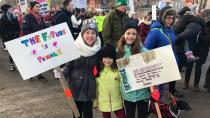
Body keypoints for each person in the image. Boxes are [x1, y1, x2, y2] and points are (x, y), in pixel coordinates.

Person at [116, 19, 156, 118]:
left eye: (134, 34)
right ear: (123, 35)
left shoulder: (144, 50)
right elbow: (115, 69)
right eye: (128, 33)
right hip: (128, 93)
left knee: (142, 115)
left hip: (143, 92)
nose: (130, 36)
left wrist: (155, 88)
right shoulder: (119, 51)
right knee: (129, 115)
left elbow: (154, 68)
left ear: (137, 35)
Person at [63, 19, 101, 118]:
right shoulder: (75, 47)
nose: (90, 36)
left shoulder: (98, 50)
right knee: (76, 114)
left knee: (88, 114)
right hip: (74, 87)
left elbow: (102, 66)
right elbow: (68, 66)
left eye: (93, 33)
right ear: (82, 34)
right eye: (87, 32)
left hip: (89, 88)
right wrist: (61, 74)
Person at [144, 6, 179, 96]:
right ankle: (154, 108)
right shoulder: (155, 32)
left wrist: (176, 62)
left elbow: (173, 48)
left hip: (168, 65)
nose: (170, 21)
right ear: (162, 17)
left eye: (172, 18)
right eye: (168, 18)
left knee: (164, 90)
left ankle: (161, 107)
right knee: (157, 92)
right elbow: (146, 50)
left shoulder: (170, 30)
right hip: (157, 67)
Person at [93, 45, 125, 118]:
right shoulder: (98, 70)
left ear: (114, 59)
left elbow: (123, 85)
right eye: (105, 57)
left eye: (110, 58)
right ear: (101, 58)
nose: (107, 60)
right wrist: (95, 102)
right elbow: (96, 87)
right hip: (103, 102)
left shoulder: (118, 70)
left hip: (118, 101)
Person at [22, 1, 47, 81]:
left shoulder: (40, 16)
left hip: (40, 41)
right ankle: (30, 73)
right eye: (36, 6)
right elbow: (25, 29)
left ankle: (40, 75)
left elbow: (43, 27)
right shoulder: (27, 17)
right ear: (32, 7)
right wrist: (32, 37)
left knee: (39, 58)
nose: (38, 8)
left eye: (39, 6)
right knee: (32, 58)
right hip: (32, 41)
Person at [0, 4, 20, 70]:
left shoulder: (14, 17)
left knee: (17, 51)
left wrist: (18, 32)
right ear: (6, 10)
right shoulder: (3, 18)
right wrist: (12, 33)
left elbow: (18, 26)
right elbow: (3, 30)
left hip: (16, 37)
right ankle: (11, 65)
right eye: (10, 8)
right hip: (9, 38)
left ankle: (17, 64)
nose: (12, 9)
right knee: (11, 52)